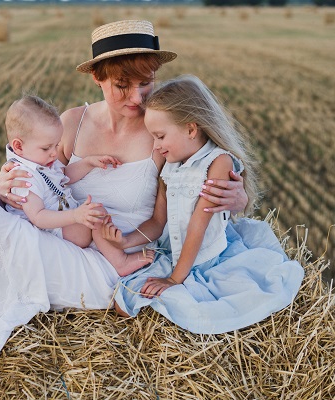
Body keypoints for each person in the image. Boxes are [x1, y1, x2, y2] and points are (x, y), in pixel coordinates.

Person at [0, 20, 249, 362]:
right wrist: (1, 187)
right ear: (97, 78)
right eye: (122, 85)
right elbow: (38, 176)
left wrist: (238, 198)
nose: (136, 98)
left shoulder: (164, 132)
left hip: (101, 266)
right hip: (50, 235)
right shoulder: (72, 123)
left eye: (146, 84)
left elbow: (183, 201)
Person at [111, 75, 304, 333]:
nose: (156, 147)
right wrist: (125, 241)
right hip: (174, 252)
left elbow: (197, 227)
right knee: (123, 305)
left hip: (207, 257)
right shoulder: (171, 165)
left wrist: (174, 279)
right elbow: (158, 223)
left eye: (159, 136)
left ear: (191, 129)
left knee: (204, 314)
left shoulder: (218, 163)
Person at [3, 93, 155, 272]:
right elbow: (38, 217)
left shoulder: (40, 161)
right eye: (46, 148)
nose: (54, 153)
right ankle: (120, 262)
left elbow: (64, 176)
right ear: (19, 146)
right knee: (95, 214)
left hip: (61, 221)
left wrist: (89, 162)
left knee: (95, 212)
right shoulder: (22, 177)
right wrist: (75, 216)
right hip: (51, 231)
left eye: (56, 146)